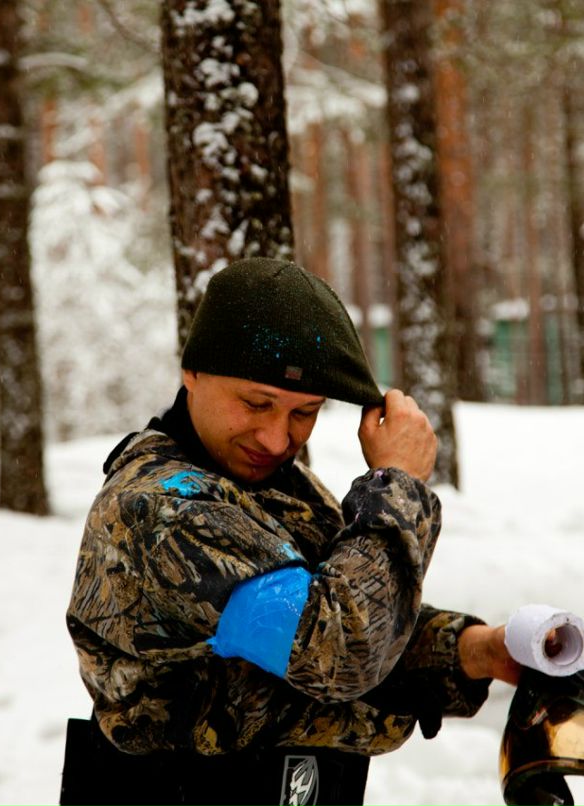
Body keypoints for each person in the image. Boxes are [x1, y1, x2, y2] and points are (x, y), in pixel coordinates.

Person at [62, 257, 521, 805]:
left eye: (305, 412)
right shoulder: (161, 509)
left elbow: (346, 611)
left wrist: (479, 650)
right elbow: (340, 649)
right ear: (193, 373)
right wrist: (397, 485)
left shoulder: (281, 487)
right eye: (256, 403)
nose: (277, 439)